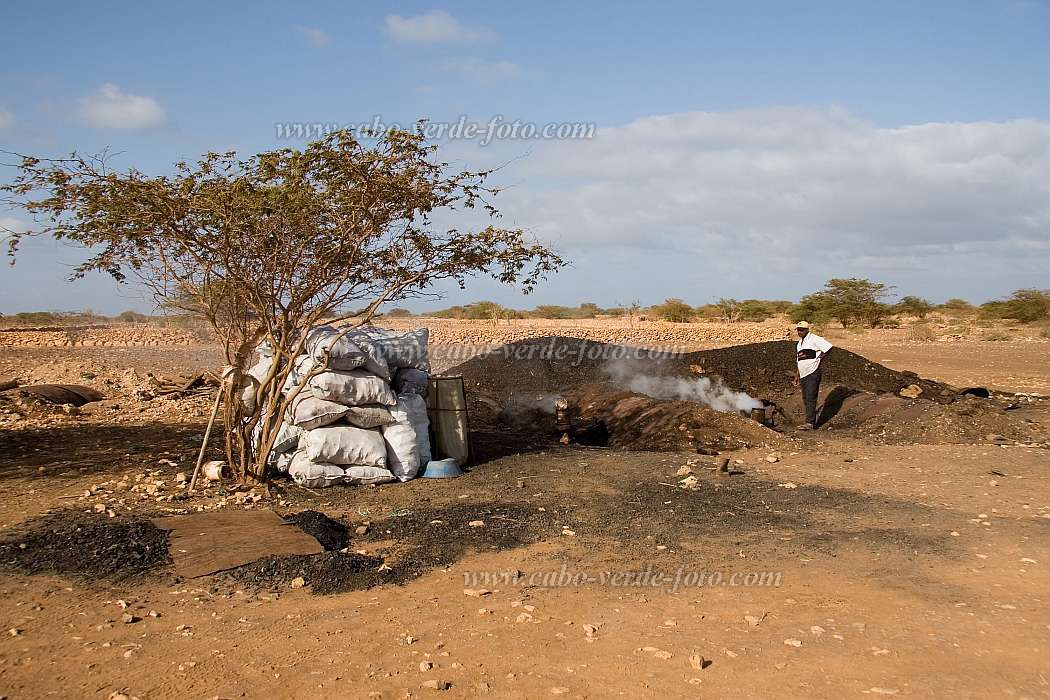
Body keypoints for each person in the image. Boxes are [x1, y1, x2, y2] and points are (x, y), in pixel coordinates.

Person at [792, 321, 833, 430]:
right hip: (803, 374)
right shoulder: (799, 344)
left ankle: (810, 423)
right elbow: (799, 361)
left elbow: (828, 347)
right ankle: (809, 420)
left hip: (812, 373)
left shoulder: (814, 339)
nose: (799, 332)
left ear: (807, 330)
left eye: (802, 330)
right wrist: (797, 376)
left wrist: (819, 359)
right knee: (806, 398)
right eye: (798, 330)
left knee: (810, 397)